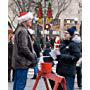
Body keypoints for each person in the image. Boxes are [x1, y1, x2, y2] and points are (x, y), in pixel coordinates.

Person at [12, 12, 37, 90]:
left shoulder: (19, 29)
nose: (31, 21)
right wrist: (32, 56)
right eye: (30, 19)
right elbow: (24, 47)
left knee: (17, 83)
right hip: (22, 62)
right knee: (21, 83)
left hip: (19, 61)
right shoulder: (23, 31)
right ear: (25, 20)